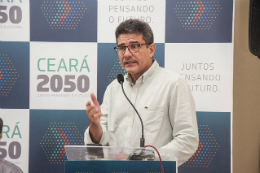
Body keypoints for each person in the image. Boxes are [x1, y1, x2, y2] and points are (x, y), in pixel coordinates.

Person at [84, 19, 199, 166]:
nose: (126, 54)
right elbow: (100, 142)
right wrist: (95, 125)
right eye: (122, 48)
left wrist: (146, 159)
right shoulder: (114, 88)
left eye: (134, 47)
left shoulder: (173, 84)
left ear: (151, 49)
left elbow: (187, 140)